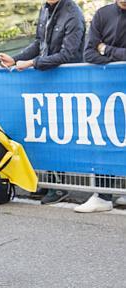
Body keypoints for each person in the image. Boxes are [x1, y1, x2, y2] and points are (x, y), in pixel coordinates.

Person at [0, 0, 85, 205]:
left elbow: (68, 54)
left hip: (68, 84)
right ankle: (51, 182)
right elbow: (39, 44)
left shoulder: (73, 14)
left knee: (62, 134)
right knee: (47, 132)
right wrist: (16, 58)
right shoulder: (45, 9)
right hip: (45, 83)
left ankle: (60, 186)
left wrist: (32, 63)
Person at [75, 0, 126, 213]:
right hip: (109, 91)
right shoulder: (102, 14)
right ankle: (103, 195)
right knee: (106, 137)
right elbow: (88, 54)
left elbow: (98, 51)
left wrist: (105, 49)